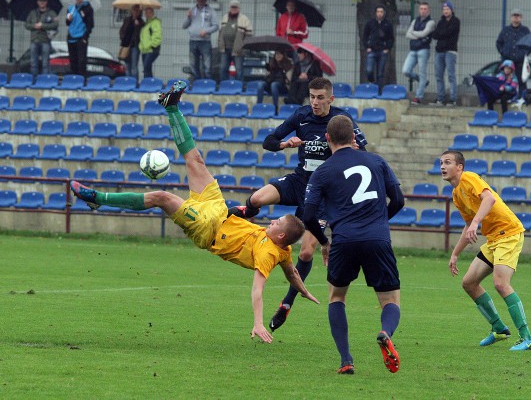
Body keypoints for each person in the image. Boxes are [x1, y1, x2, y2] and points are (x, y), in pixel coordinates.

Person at [69, 81, 319, 343]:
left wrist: (258, 322)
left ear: (280, 236)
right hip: (218, 209)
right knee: (195, 159)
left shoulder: (269, 253)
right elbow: (291, 272)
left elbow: (258, 290)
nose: (273, 220)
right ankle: (171, 107)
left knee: (162, 197)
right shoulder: (284, 249)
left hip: (206, 229)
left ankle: (98, 199)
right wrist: (303, 291)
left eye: (277, 222)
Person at [230, 77, 367, 333]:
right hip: (299, 181)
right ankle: (228, 222)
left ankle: (286, 303)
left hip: (324, 191)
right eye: (312, 97)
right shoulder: (301, 116)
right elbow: (268, 141)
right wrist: (285, 144)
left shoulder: (341, 120)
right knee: (257, 199)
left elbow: (363, 150)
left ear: (330, 99)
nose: (315, 102)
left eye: (320, 98)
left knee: (305, 253)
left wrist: (355, 149)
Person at [303, 115, 404, 374]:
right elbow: (399, 200)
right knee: (390, 300)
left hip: (344, 240)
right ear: (354, 137)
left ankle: (346, 360)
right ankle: (384, 332)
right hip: (378, 239)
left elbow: (308, 215)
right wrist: (379, 222)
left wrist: (324, 241)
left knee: (337, 297)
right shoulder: (377, 161)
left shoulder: (323, 171)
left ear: (327, 139)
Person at [441, 150, 531, 351]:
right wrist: (455, 253)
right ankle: (499, 328)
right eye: (441, 162)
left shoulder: (469, 178)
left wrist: (476, 222)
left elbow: (489, 199)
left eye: (447, 162)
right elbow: (468, 225)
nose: (442, 166)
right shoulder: (457, 194)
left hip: (509, 233)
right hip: (494, 239)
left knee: (501, 284)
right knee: (469, 283)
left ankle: (527, 337)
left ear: (459, 167)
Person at [403, 1, 435, 105]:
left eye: (425, 9)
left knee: (422, 73)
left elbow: (424, 33)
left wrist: (414, 33)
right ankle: (423, 82)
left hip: (423, 50)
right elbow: (407, 34)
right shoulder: (415, 20)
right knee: (406, 71)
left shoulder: (431, 22)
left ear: (428, 10)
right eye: (421, 9)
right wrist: (418, 35)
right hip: (413, 50)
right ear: (419, 10)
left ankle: (418, 97)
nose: (423, 11)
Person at [496, 8, 531, 100]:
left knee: (521, 80)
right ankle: (505, 97)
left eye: (518, 16)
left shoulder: (525, 30)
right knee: (504, 79)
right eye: (514, 15)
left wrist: (525, 53)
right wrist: (503, 52)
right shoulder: (505, 30)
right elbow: (499, 43)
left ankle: (522, 98)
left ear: (521, 18)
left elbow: (530, 44)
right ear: (511, 17)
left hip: (520, 60)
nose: (516, 18)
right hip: (507, 61)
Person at [431, 1, 460, 106]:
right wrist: (441, 33)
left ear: (451, 10)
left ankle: (453, 99)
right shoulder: (440, 22)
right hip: (439, 51)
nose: (445, 11)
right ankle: (440, 98)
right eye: (444, 9)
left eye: (447, 9)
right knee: (439, 75)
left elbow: (447, 32)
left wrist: (440, 33)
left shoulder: (456, 21)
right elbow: (434, 35)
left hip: (450, 51)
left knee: (451, 75)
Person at [183, 0, 219, 80]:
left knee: (207, 64)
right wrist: (188, 17)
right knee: (193, 64)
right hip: (193, 40)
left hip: (205, 42)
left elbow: (216, 26)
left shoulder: (211, 11)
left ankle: (207, 82)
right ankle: (195, 82)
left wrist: (206, 31)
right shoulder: (192, 10)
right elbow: (184, 26)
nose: (201, 0)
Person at [362, 5, 394, 92]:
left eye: (381, 12)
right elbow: (365, 36)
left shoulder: (388, 24)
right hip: (372, 50)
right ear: (375, 13)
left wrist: (387, 48)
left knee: (380, 73)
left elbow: (391, 38)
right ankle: (372, 82)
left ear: (384, 13)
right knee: (369, 70)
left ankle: (379, 91)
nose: (380, 13)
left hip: (382, 51)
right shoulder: (370, 23)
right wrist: (367, 47)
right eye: (378, 11)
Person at [218, 0, 252, 81]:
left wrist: (243, 46)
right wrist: (219, 42)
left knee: (239, 70)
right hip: (225, 48)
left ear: (239, 9)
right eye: (232, 7)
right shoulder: (225, 17)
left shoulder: (244, 19)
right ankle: (224, 87)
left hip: (238, 50)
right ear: (229, 8)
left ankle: (239, 87)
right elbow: (220, 32)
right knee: (223, 69)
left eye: (235, 7)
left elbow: (249, 35)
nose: (233, 9)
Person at [25, 0, 59, 76]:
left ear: (46, 2)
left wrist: (43, 25)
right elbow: (26, 24)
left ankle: (44, 80)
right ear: (37, 2)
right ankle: (34, 79)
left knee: (45, 63)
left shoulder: (51, 13)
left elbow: (55, 24)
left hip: (45, 40)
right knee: (33, 62)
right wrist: (34, 26)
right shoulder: (32, 12)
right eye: (40, 1)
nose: (42, 2)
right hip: (34, 40)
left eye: (44, 1)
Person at [65, 0, 94, 78]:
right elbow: (67, 23)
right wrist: (68, 19)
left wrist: (85, 37)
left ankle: (81, 79)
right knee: (73, 60)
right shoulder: (71, 9)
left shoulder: (87, 8)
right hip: (71, 37)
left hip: (81, 37)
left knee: (81, 60)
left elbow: (90, 24)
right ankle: (73, 79)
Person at [119, 4, 144, 81]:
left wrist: (137, 26)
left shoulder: (141, 22)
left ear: (140, 12)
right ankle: (128, 81)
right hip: (126, 45)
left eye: (137, 11)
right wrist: (124, 38)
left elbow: (141, 35)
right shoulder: (127, 20)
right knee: (127, 65)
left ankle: (135, 83)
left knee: (134, 66)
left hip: (135, 46)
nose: (135, 12)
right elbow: (122, 31)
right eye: (134, 10)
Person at [139, 7, 162, 79]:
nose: (147, 14)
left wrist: (152, 45)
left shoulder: (155, 22)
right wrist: (141, 46)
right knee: (147, 68)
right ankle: (148, 82)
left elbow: (157, 35)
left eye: (149, 12)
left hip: (151, 49)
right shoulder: (146, 23)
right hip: (145, 49)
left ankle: (148, 82)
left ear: (152, 13)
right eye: (146, 13)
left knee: (146, 66)